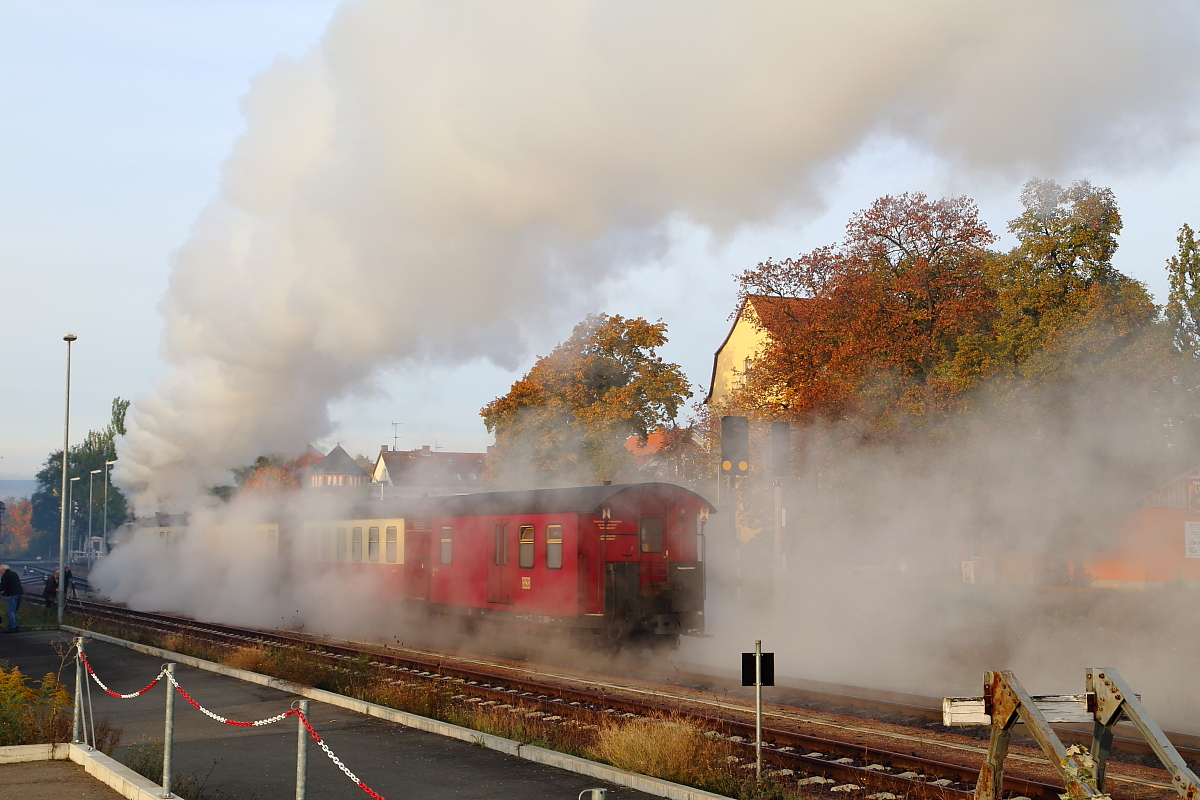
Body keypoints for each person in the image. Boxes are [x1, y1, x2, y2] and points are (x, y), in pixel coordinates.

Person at [0, 565, 23, 633]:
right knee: (14, 610)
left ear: (3, 570)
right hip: (19, 593)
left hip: (12, 594)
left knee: (10, 611)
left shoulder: (5, 575)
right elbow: (11, 585)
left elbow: (3, 586)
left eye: (0, 570)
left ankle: (12, 627)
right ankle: (15, 626)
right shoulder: (14, 573)